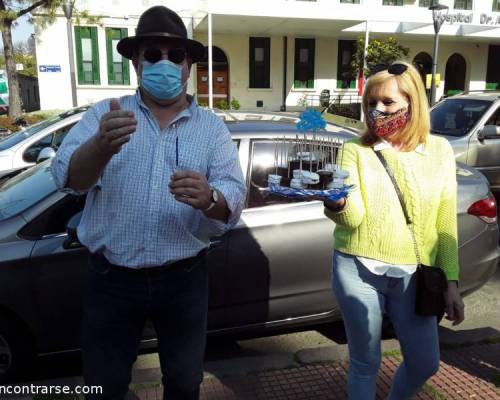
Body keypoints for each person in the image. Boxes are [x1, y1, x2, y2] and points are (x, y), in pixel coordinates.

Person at [51, 6, 246, 400]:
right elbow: (68, 179)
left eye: (175, 55)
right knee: (104, 387)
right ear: (137, 64)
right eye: (152, 55)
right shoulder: (105, 115)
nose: (164, 62)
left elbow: (234, 199)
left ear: (189, 64)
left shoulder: (211, 127)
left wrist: (211, 198)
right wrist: (100, 147)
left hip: (184, 279)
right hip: (112, 280)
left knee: (184, 383)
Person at [323, 61, 464, 400]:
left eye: (387, 102)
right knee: (365, 362)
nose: (377, 111)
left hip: (415, 274)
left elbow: (446, 220)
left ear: (412, 102)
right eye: (371, 103)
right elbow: (353, 219)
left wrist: (452, 283)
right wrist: (337, 204)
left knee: (425, 363)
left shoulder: (440, 151)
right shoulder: (354, 150)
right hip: (356, 268)